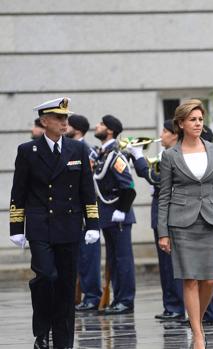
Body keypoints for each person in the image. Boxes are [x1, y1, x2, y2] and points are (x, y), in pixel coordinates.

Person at [9, 97, 100, 349]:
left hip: (69, 226)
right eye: (59, 118)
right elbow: (19, 191)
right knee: (46, 277)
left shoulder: (78, 150)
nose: (64, 122)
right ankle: (42, 330)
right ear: (44, 121)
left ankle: (63, 342)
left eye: (66, 118)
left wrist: (92, 223)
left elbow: (86, 190)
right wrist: (16, 227)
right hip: (40, 226)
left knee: (65, 285)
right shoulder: (28, 151)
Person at [158, 99, 213, 349]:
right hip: (181, 223)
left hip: (210, 220)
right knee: (190, 279)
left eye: (200, 119)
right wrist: (163, 233)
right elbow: (164, 195)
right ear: (180, 124)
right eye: (192, 119)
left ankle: (197, 321)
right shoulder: (170, 155)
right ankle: (198, 334)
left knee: (210, 280)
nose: (198, 123)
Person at [125, 120, 185, 321]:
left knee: (171, 263)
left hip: (169, 214)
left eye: (165, 132)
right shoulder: (165, 155)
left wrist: (138, 156)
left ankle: (176, 306)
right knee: (165, 265)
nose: (162, 135)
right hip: (160, 212)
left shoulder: (176, 155)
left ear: (175, 135)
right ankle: (170, 305)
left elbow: (153, 177)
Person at [93, 114, 137, 315]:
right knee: (113, 260)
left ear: (109, 130)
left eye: (101, 124)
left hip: (118, 213)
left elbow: (128, 185)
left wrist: (122, 210)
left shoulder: (115, 155)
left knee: (123, 260)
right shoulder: (103, 154)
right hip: (107, 214)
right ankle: (117, 299)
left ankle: (125, 301)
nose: (97, 126)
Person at [65, 114, 103, 312]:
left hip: (87, 208)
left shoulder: (85, 149)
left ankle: (92, 296)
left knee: (89, 257)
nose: (64, 127)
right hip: (73, 210)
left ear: (77, 129)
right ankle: (85, 296)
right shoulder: (70, 147)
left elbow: (90, 179)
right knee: (80, 258)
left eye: (68, 125)